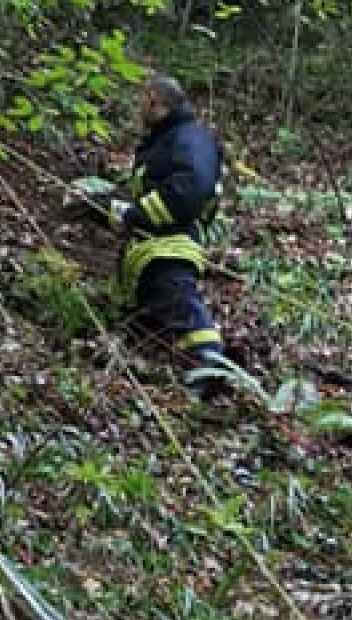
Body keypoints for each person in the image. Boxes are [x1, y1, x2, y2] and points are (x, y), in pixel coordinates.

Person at [101, 73, 229, 387]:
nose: (139, 108)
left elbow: (191, 189)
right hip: (150, 252)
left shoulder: (189, 137)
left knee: (185, 312)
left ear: (155, 102)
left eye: (143, 100)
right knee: (156, 323)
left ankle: (208, 376)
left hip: (170, 249)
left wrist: (135, 215)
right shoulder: (165, 141)